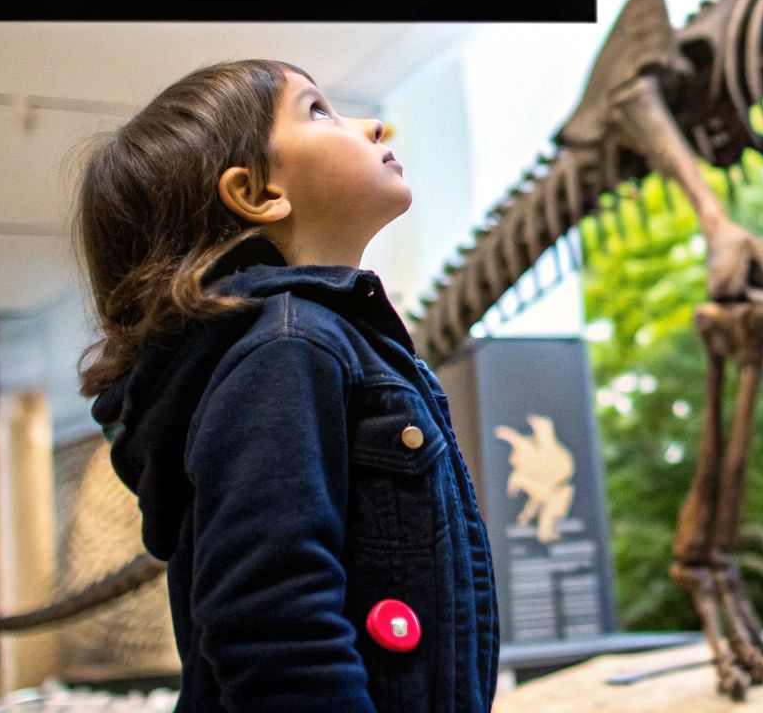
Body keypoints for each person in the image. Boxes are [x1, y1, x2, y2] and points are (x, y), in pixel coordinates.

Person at [72, 59, 498, 711]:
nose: (374, 125)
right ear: (257, 192)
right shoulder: (288, 346)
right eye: (318, 111)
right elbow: (272, 619)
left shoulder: (314, 342)